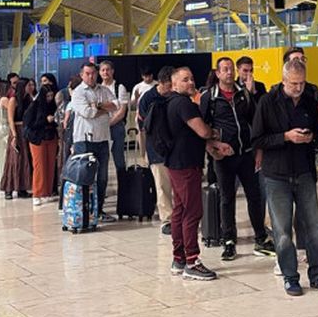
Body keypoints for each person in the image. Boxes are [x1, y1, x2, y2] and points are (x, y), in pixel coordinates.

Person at [251, 59, 318, 296]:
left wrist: (311, 136)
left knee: (314, 228)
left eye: (301, 83)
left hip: (304, 171)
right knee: (282, 231)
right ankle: (290, 277)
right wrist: (286, 137)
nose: (298, 88)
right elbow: (257, 139)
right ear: (283, 80)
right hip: (276, 174)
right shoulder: (267, 102)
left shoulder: (310, 101)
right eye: (293, 84)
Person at [200, 57, 274, 260]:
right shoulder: (210, 97)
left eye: (231, 69)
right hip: (224, 157)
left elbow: (256, 122)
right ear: (217, 73)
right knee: (227, 198)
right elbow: (202, 127)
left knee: (255, 196)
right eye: (225, 69)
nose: (229, 73)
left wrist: (259, 150)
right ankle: (229, 240)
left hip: (247, 153)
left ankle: (260, 237)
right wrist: (212, 146)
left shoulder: (243, 95)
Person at [165, 67, 231, 281]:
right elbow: (202, 131)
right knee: (192, 212)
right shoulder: (183, 104)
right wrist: (215, 133)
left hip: (176, 163)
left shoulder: (170, 102)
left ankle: (179, 258)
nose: (190, 83)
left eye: (192, 78)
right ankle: (192, 260)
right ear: (174, 84)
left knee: (180, 210)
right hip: (186, 165)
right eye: (185, 80)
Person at [68, 62, 117, 223]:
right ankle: (84, 209)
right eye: (87, 73)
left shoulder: (104, 90)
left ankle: (99, 209)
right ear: (82, 75)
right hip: (84, 140)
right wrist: (103, 108)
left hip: (103, 138)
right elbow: (88, 113)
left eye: (93, 73)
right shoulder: (78, 92)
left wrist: (99, 105)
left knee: (102, 177)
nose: (91, 76)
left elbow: (115, 105)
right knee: (85, 177)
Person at [138, 66, 177, 234]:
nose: (172, 88)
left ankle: (181, 216)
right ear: (161, 83)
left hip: (176, 147)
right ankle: (167, 219)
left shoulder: (176, 96)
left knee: (179, 186)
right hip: (157, 148)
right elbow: (143, 126)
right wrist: (143, 152)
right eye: (170, 84)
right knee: (162, 185)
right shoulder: (148, 98)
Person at [98, 60, 131, 201]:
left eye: (108, 70)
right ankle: (101, 192)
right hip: (101, 128)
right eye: (103, 70)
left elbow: (122, 111)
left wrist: (109, 123)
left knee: (119, 160)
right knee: (102, 161)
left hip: (116, 127)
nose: (105, 72)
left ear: (112, 71)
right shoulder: (97, 88)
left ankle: (124, 191)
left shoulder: (119, 87)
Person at [24, 84, 59, 206]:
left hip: (51, 137)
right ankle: (37, 193)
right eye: (47, 96)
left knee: (50, 165)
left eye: (51, 95)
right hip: (38, 138)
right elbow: (28, 122)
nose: (49, 98)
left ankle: (47, 192)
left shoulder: (53, 106)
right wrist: (45, 120)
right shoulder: (34, 106)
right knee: (39, 166)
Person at [0, 77, 34, 200]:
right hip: (17, 130)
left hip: (26, 131)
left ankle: (22, 188)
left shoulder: (29, 99)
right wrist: (14, 135)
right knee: (14, 159)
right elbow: (10, 119)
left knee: (25, 159)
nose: (31, 87)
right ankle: (8, 188)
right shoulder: (13, 99)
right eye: (28, 85)